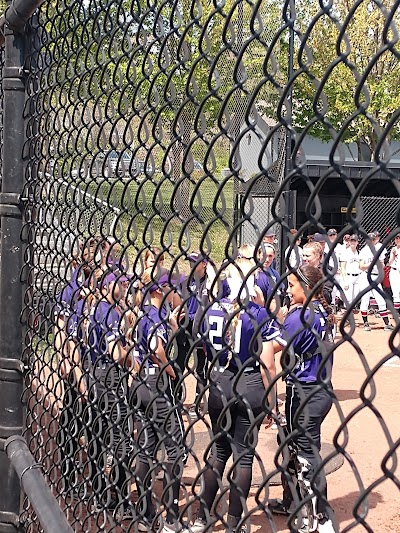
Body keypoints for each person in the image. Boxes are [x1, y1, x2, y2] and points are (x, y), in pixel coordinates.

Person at [190, 258, 284, 533]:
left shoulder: (212, 311)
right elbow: (270, 359)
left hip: (220, 382)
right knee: (243, 457)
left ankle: (201, 517)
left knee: (217, 452)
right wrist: (271, 401)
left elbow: (204, 346)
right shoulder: (258, 312)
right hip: (250, 383)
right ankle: (234, 524)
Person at [268, 264, 337, 533]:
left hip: (304, 392)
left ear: (308, 287)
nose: (288, 288)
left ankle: (321, 518)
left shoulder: (299, 317)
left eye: (294, 284)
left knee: (307, 455)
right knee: (297, 447)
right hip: (320, 390)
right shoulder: (319, 310)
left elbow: (272, 349)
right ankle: (296, 504)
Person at [130, 266, 188, 533]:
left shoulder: (145, 313)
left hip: (140, 383)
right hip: (156, 386)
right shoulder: (154, 316)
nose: (172, 292)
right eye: (168, 288)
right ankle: (173, 517)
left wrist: (174, 326)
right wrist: (169, 369)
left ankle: (145, 514)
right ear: (158, 290)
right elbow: (157, 349)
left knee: (147, 447)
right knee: (176, 449)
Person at [85, 270, 135, 520]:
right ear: (108, 286)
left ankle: (100, 497)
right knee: (120, 437)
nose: (125, 287)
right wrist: (133, 354)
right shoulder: (109, 311)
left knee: (99, 434)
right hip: (111, 378)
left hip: (95, 374)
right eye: (121, 283)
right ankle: (122, 501)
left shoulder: (96, 309)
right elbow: (117, 354)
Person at [358, 232, 394, 331]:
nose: (372, 241)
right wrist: (372, 263)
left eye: (373, 239)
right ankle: (365, 323)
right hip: (366, 276)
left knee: (381, 300)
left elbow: (382, 265)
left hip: (376, 277)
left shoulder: (379, 249)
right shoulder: (364, 251)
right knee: (365, 300)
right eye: (370, 239)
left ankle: (387, 324)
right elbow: (361, 266)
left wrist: (379, 265)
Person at [340, 234, 361, 310]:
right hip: (348, 277)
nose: (352, 242)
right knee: (348, 299)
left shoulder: (358, 253)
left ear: (357, 242)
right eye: (351, 240)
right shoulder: (345, 252)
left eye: (354, 241)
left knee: (355, 298)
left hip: (357, 277)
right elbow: (343, 267)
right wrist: (345, 281)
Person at [388, 233, 400, 314]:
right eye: (396, 238)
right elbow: (390, 262)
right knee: (395, 293)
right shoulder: (393, 249)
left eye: (399, 238)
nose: (398, 240)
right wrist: (393, 254)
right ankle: (397, 313)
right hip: (394, 272)